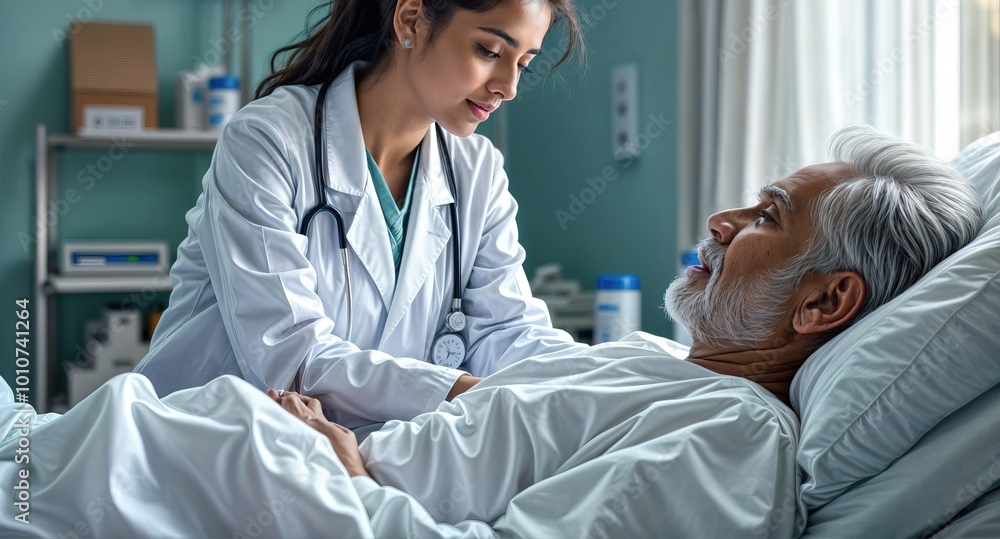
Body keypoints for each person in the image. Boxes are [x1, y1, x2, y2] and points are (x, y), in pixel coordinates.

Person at [264, 125, 985, 535]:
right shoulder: (659, 360)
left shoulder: (732, 440)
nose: (721, 223)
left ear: (824, 305)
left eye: (766, 216)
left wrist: (347, 477)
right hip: (277, 463)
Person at [134, 0, 586, 431]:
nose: (507, 86)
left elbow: (508, 331)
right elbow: (291, 356)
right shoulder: (266, 142)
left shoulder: (477, 171)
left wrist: (601, 381)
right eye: (490, 50)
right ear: (412, 17)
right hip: (210, 447)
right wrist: (468, 392)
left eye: (523, 65)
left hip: (354, 462)